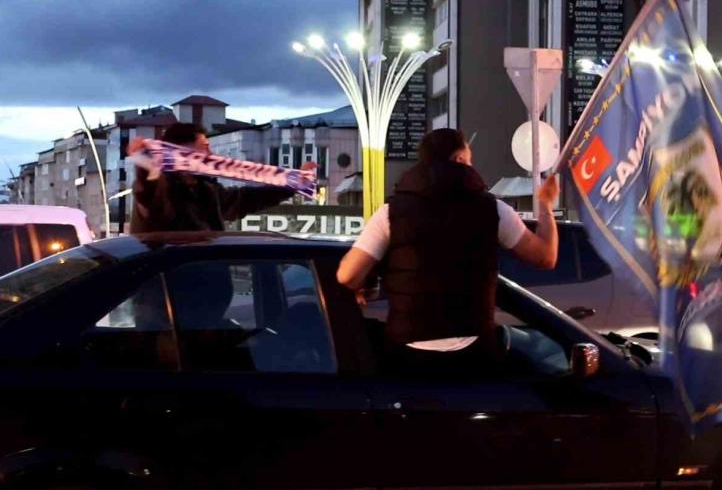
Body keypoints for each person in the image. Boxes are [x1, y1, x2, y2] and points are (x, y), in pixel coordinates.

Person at [336, 128, 559, 374]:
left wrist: (368, 281)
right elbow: (545, 257)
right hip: (475, 352)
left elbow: (348, 275)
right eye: (470, 160)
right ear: (459, 159)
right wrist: (546, 205)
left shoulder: (390, 213)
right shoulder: (493, 210)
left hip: (406, 356)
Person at [127, 123, 309, 233]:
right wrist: (145, 162)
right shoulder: (162, 189)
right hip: (168, 280)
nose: (210, 154)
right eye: (204, 147)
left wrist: (292, 183)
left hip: (208, 279)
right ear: (182, 152)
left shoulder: (207, 190)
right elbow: (146, 191)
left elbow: (246, 199)